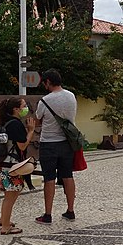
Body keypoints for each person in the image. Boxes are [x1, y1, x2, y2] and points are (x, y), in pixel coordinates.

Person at [34, 69, 78, 223]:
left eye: (44, 83)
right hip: (67, 143)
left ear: (48, 82)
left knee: (49, 178)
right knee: (68, 176)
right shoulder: (71, 96)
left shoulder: (45, 101)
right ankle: (70, 210)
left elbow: (38, 120)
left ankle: (47, 214)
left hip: (49, 143)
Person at [0, 97, 36, 235]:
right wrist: (31, 131)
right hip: (11, 166)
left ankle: (3, 219)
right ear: (16, 109)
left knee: (9, 194)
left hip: (4, 164)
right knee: (10, 196)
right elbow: (22, 146)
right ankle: (5, 226)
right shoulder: (15, 124)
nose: (25, 108)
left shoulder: (6, 122)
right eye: (23, 106)